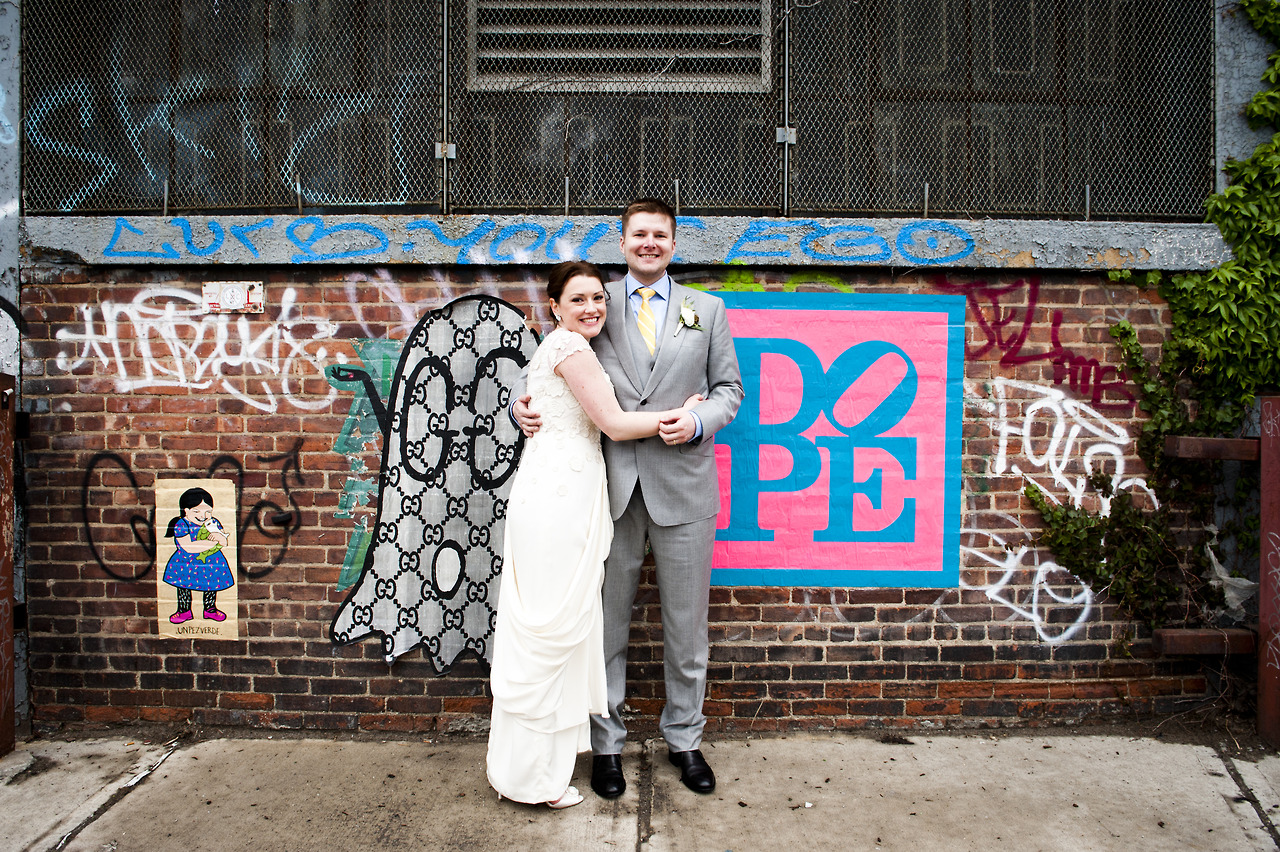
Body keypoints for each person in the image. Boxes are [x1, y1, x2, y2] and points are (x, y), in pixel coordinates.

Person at [513, 199, 744, 799]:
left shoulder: (708, 310)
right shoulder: (593, 302)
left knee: (686, 628)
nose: (648, 243)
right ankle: (606, 746)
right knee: (606, 627)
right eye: (638, 234)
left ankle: (685, 740)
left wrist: (698, 424)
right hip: (607, 492)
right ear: (622, 242)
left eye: (659, 235)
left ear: (674, 242)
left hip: (686, 488)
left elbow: (728, 390)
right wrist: (523, 406)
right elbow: (549, 369)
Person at [487, 260, 702, 809]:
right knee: (556, 632)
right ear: (554, 306)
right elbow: (613, 423)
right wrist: (683, 412)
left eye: (598, 299)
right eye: (577, 299)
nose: (591, 308)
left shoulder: (556, 346)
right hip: (561, 499)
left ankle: (526, 768)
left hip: (561, 491)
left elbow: (551, 401)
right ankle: (537, 777)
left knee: (552, 629)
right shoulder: (574, 349)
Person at [162, 487, 233, 624]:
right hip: (185, 563)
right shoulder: (181, 524)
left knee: (212, 585)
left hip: (211, 562)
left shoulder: (213, 523)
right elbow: (188, 547)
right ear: (186, 510)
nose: (203, 515)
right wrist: (212, 542)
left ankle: (210, 610)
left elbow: (224, 542)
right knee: (184, 586)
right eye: (197, 511)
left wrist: (220, 537)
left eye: (208, 511)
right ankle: (184, 611)